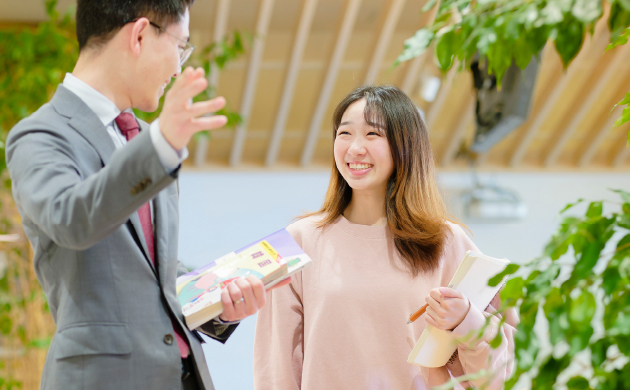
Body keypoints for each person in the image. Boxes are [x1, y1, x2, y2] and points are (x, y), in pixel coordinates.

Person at [6, 1, 288, 389]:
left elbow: (153, 274)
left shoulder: (143, 136)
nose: (178, 68)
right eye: (180, 45)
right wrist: (160, 145)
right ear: (139, 34)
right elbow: (70, 218)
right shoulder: (40, 135)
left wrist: (219, 302)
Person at [253, 85, 518, 390]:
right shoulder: (296, 241)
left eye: (372, 134)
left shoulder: (446, 241)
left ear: (406, 146)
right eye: (344, 133)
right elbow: (277, 365)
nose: (354, 148)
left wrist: (467, 320)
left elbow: (500, 375)